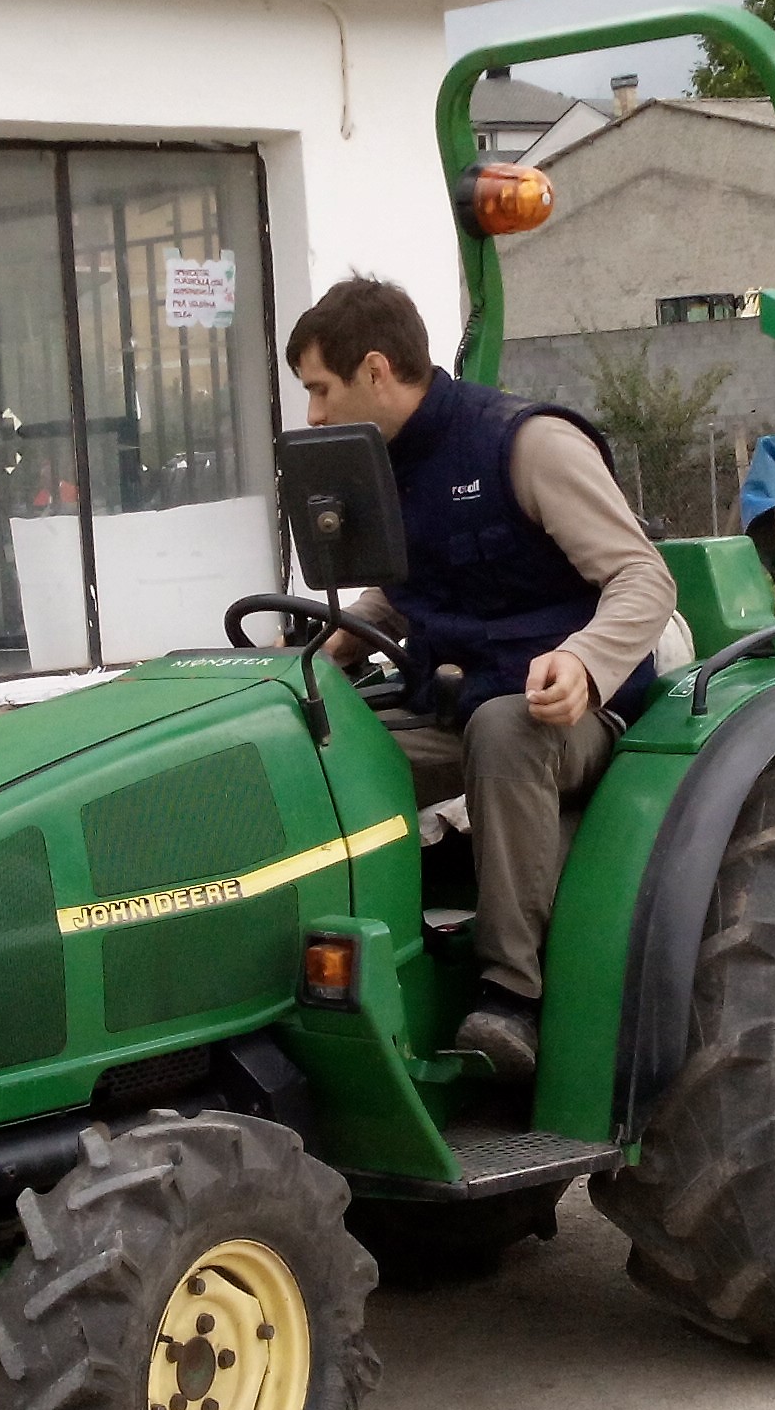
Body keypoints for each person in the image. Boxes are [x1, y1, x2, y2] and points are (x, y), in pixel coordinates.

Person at [285, 274, 679, 1083]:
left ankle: (512, 996)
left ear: (374, 370)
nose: (313, 416)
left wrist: (585, 664)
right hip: (451, 706)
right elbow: (413, 586)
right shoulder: (383, 467)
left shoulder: (526, 444)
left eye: (320, 389)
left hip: (565, 717)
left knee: (505, 726)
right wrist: (335, 647)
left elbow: (644, 579)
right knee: (317, 750)